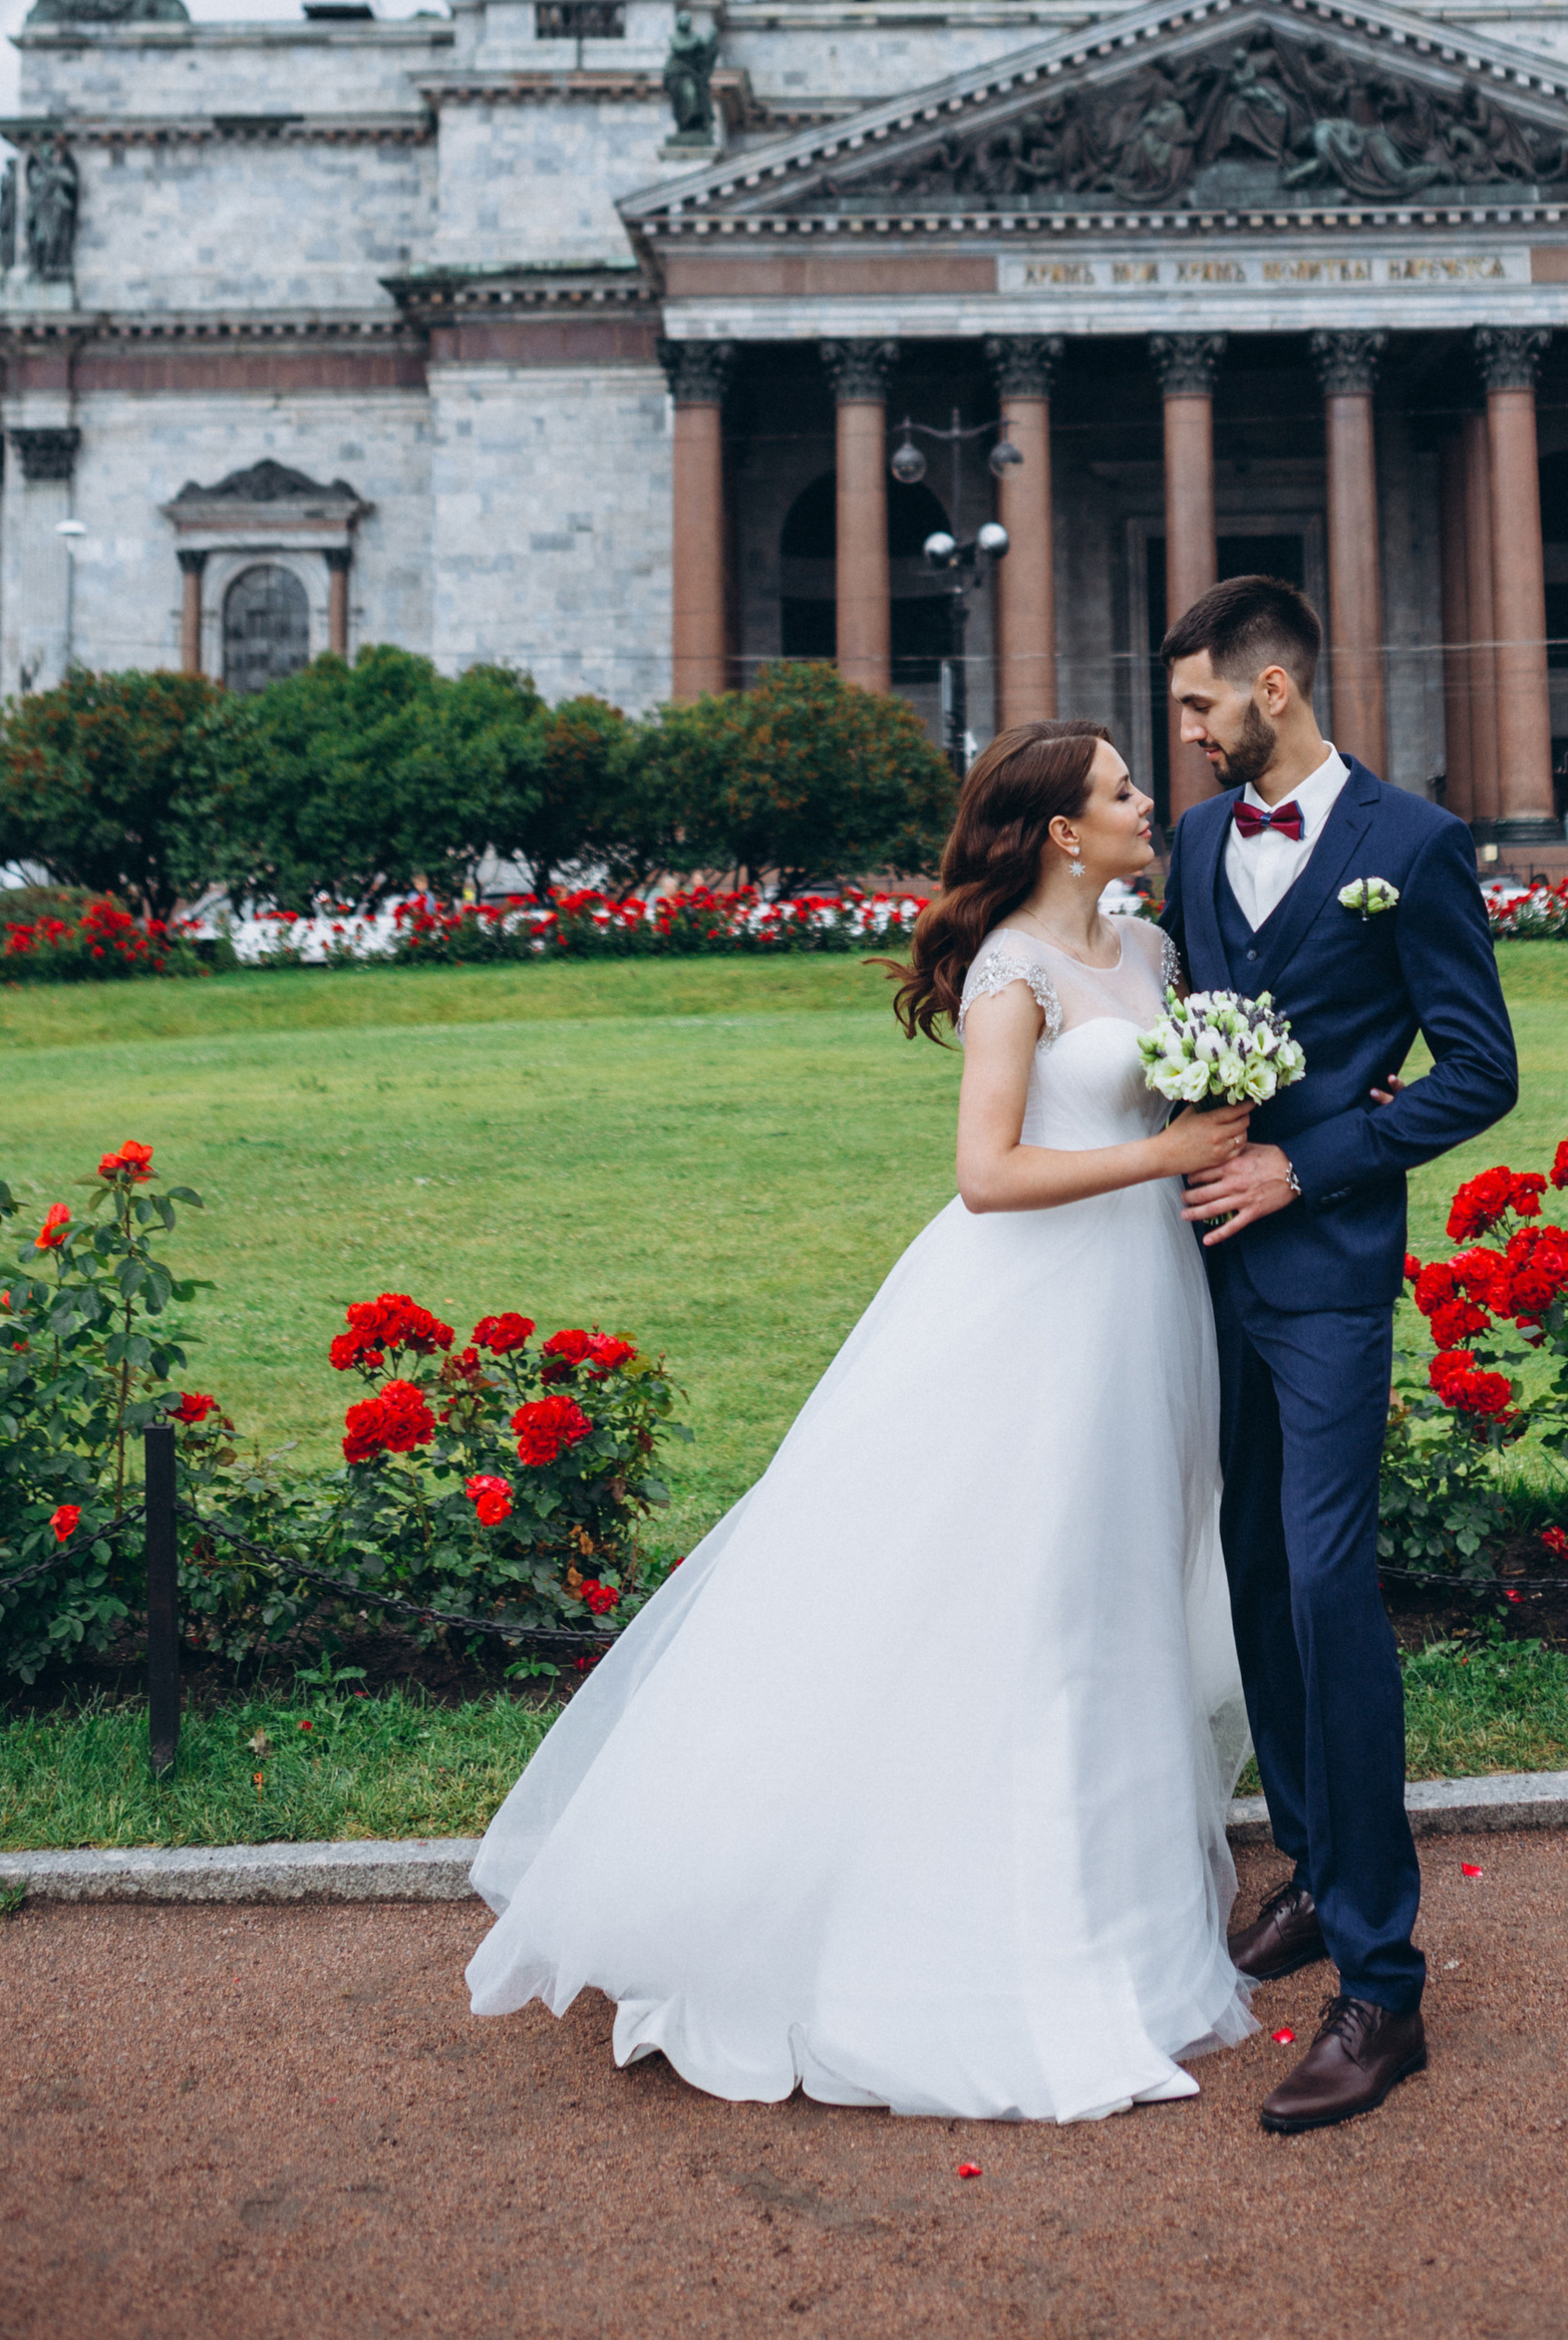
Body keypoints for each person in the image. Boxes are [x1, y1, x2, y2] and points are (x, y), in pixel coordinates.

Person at [467, 721, 1258, 2122]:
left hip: (1147, 1302)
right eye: (1124, 789)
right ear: (1064, 831)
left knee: (1119, 1590)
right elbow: (988, 1173)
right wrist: (1168, 1151)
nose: (1152, 802)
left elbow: (1180, 1084)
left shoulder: (1151, 952)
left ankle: (1129, 1926)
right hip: (1036, 1304)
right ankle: (972, 1933)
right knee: (1020, 1596)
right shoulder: (1014, 967)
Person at [1161, 573, 1520, 2134]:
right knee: (1247, 1578)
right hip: (1185, 1278)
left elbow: (1482, 1072)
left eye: (1198, 707)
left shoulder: (1414, 846)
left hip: (1323, 1274)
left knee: (1323, 1582)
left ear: (1276, 693)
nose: (1182, 734)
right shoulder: (1188, 844)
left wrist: (1312, 1167)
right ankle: (1311, 1867)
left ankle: (1383, 1983)